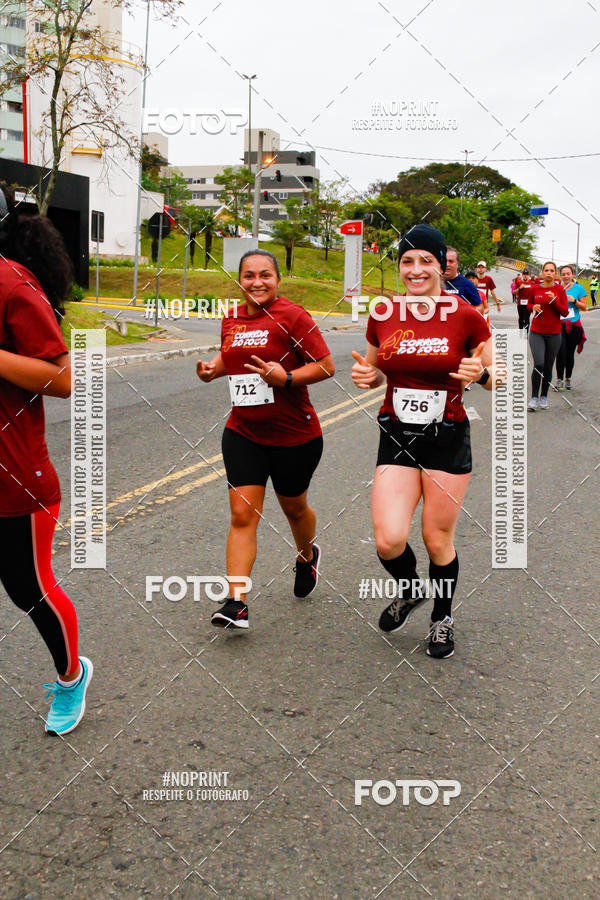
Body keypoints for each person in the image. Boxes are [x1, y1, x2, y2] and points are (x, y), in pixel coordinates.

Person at [351, 225, 502, 659]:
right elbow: (375, 369)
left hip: (447, 436)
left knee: (437, 538)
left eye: (426, 260)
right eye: (407, 261)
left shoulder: (466, 315)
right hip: (397, 434)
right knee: (389, 539)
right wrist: (369, 376)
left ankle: (441, 617)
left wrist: (483, 374)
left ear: (441, 265)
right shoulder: (383, 313)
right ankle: (411, 588)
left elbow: (499, 377)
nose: (416, 270)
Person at [196, 249, 335, 630]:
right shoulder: (231, 318)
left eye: (265, 275)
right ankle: (235, 602)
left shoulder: (293, 316)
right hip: (244, 432)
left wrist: (286, 378)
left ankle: (307, 556)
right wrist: (213, 369)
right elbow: (232, 355)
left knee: (294, 510)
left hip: (294, 436)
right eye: (249, 275)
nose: (257, 282)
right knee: (242, 515)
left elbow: (326, 365)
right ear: (239, 279)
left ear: (278, 279)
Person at [0, 185, 92, 734]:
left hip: (15, 478)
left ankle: (70, 676)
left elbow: (61, 377)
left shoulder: (12, 282)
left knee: (27, 590)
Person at [527, 261, 569, 410]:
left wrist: (554, 300)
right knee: (539, 363)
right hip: (537, 332)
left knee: (548, 366)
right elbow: (528, 304)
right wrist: (533, 306)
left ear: (555, 273)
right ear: (542, 273)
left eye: (552, 270)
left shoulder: (559, 290)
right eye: (546, 270)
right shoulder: (535, 289)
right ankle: (533, 398)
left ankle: (543, 396)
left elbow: (564, 312)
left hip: (554, 334)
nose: (549, 273)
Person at [555, 265, 587, 390]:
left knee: (569, 353)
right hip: (559, 325)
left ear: (572, 275)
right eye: (563, 274)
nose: (566, 276)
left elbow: (584, 307)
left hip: (574, 326)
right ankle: (559, 380)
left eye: (568, 274)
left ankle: (568, 378)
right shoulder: (558, 288)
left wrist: (574, 301)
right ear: (560, 276)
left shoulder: (579, 288)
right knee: (560, 352)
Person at [514, 269, 534, 336]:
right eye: (524, 275)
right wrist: (519, 288)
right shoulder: (519, 283)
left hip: (528, 305)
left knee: (527, 319)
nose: (525, 276)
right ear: (522, 275)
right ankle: (520, 333)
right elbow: (514, 292)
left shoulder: (532, 283)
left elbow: (534, 293)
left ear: (528, 275)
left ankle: (526, 334)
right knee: (521, 319)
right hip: (520, 304)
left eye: (526, 275)